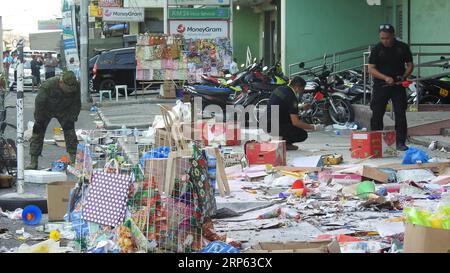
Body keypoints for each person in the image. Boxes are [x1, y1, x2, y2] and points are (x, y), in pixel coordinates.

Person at [368, 24, 414, 151]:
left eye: (387, 38)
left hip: (398, 86)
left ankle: (400, 142)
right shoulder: (377, 49)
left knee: (400, 113)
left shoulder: (402, 47)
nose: (385, 41)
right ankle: (375, 140)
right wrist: (385, 78)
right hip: (381, 85)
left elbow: (410, 65)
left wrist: (404, 76)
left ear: (393, 35)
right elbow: (371, 68)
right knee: (377, 113)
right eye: (382, 38)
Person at [27, 71, 81, 170]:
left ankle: (74, 160)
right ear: (61, 82)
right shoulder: (48, 85)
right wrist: (38, 118)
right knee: (37, 133)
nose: (69, 91)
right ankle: (33, 161)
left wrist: (73, 116)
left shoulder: (76, 86)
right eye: (68, 88)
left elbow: (76, 103)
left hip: (64, 110)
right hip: (46, 110)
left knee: (70, 133)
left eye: (71, 89)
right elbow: (39, 102)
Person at [266, 76, 325, 151]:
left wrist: (301, 107)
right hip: (276, 126)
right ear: (297, 87)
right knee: (302, 134)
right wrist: (314, 127)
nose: (302, 92)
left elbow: (283, 104)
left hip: (268, 124)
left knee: (294, 118)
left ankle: (281, 141)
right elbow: (296, 122)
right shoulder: (292, 97)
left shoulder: (280, 89)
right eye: (302, 89)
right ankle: (282, 142)